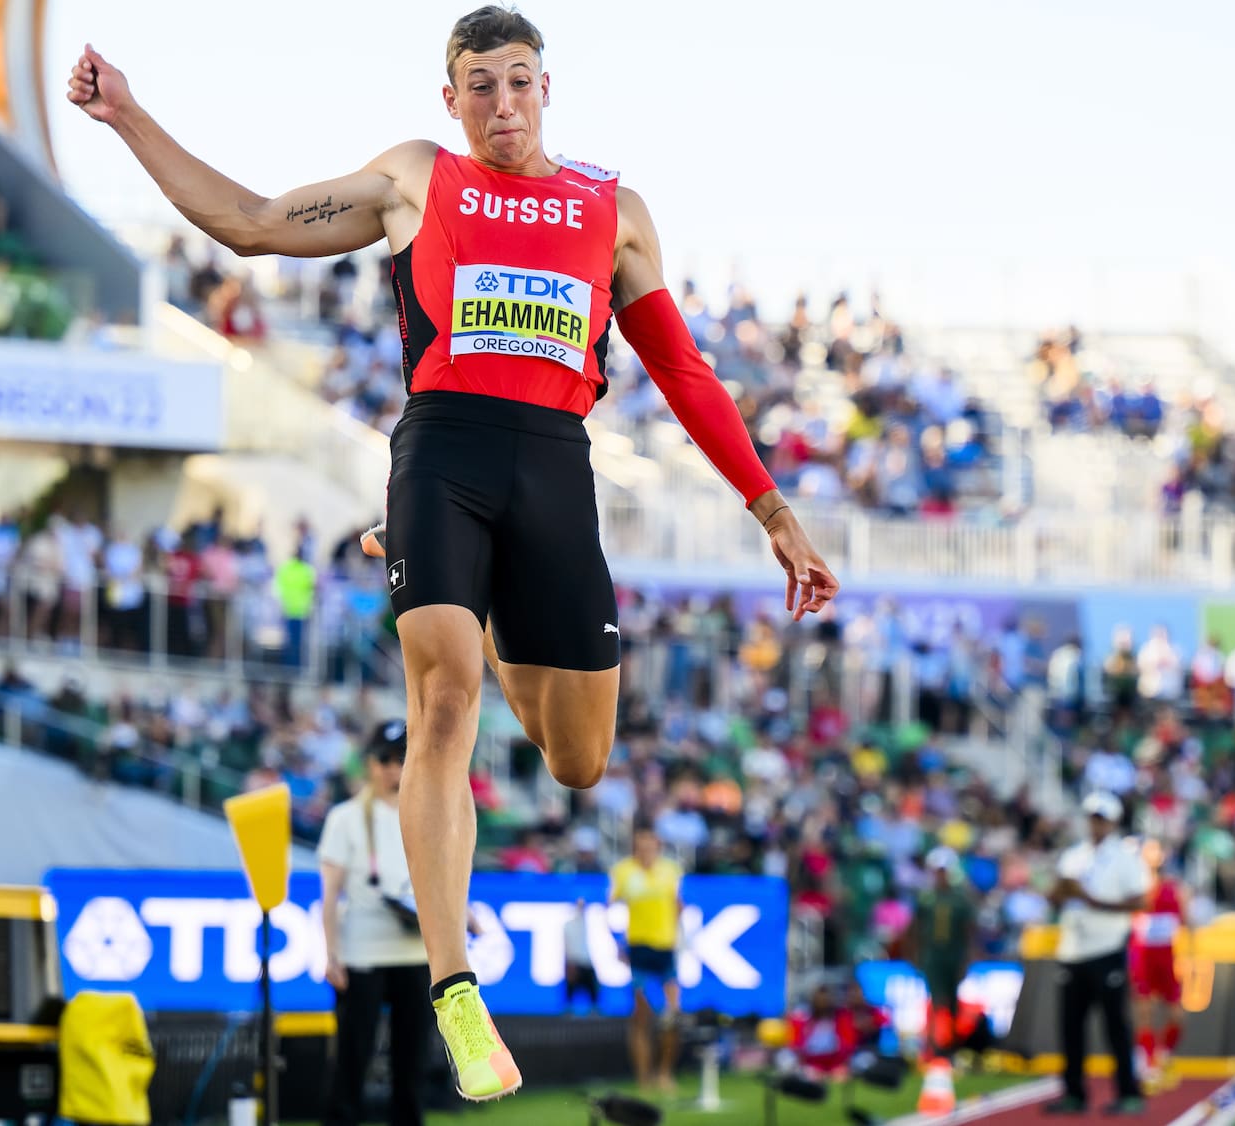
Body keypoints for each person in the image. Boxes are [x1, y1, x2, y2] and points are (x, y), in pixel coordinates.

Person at [67, 6, 839, 1101]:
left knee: (579, 759)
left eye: (519, 80)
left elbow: (683, 371)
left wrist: (773, 511)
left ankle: (473, 591)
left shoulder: (613, 211)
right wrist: (129, 116)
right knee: (442, 708)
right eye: (480, 84)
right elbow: (249, 223)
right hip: (441, 452)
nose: (501, 102)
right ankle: (455, 990)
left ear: (546, 88)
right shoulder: (416, 179)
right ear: (451, 97)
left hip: (553, 468)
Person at [317, 720, 430, 1126]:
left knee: (411, 1064)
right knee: (352, 1058)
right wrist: (332, 954)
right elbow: (330, 895)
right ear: (370, 763)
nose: (392, 769)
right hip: (363, 951)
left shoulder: (425, 814)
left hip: (414, 952)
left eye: (401, 759)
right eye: (385, 759)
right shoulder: (346, 817)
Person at [1043, 792, 1149, 1116]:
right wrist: (1061, 891)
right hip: (1072, 949)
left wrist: (1091, 900)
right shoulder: (1074, 856)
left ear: (1113, 822)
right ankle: (1074, 1093)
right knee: (1070, 1027)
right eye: (1092, 818)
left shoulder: (1126, 858)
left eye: (1101, 819)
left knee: (1115, 1026)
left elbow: (1140, 901)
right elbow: (1054, 898)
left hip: (1107, 947)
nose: (1095, 824)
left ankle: (1128, 1092)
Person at [610, 825, 684, 1093]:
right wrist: (618, 943)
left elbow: (678, 904)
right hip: (638, 947)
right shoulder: (623, 872)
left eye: (650, 847)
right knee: (641, 1016)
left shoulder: (670, 871)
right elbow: (611, 908)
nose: (646, 852)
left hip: (666, 947)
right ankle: (644, 1077)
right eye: (641, 847)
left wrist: (679, 934)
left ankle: (665, 1073)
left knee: (673, 1015)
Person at [1130, 838, 1189, 1090]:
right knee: (1144, 1012)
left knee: (1177, 1015)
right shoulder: (1136, 886)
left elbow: (1184, 920)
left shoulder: (1174, 887)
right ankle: (1146, 1062)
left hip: (1167, 957)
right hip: (1143, 956)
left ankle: (1162, 1055)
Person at [912, 847, 976, 1061]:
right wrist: (914, 953)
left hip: (954, 954)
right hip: (932, 955)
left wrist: (968, 957)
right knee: (935, 998)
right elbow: (916, 928)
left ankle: (952, 1045)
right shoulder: (926, 898)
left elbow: (968, 931)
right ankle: (934, 1044)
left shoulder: (960, 899)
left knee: (952, 1001)